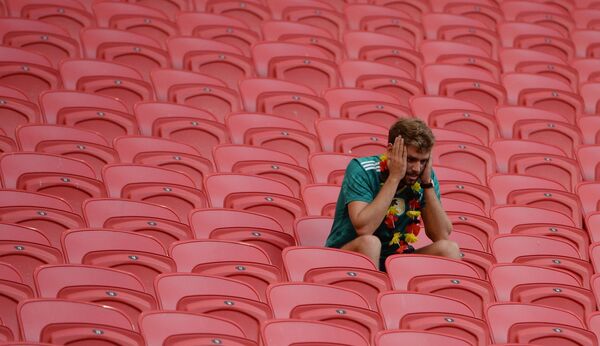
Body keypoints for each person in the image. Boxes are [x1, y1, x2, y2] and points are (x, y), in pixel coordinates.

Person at [325, 118, 460, 271]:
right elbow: (364, 228)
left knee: (449, 249)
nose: (417, 168)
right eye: (410, 159)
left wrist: (427, 184)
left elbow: (442, 235)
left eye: (423, 161)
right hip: (351, 253)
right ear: (390, 151)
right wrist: (394, 177)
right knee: (371, 243)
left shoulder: (424, 177)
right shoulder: (363, 170)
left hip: (396, 257)